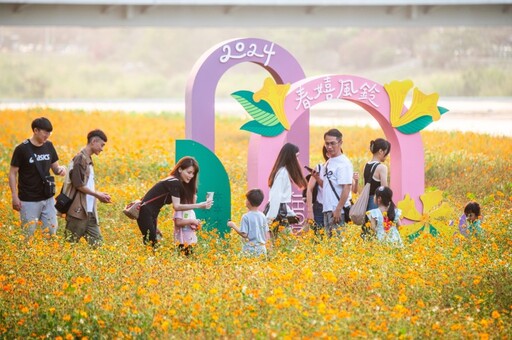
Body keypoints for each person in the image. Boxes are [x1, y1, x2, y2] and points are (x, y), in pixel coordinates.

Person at [9, 117, 66, 239]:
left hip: (48, 197)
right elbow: (13, 173)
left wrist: (60, 170)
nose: (48, 136)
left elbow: (55, 168)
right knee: (28, 234)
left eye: (50, 133)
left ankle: (48, 255)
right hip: (28, 199)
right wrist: (14, 196)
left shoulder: (49, 146)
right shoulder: (21, 149)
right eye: (45, 132)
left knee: (51, 231)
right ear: (35, 130)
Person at [136, 156, 213, 248]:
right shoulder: (174, 182)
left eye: (193, 174)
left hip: (152, 212)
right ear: (180, 169)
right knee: (151, 243)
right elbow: (176, 206)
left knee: (153, 241)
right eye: (189, 172)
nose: (191, 176)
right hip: (146, 211)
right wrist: (199, 205)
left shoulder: (175, 181)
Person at [65, 129, 111, 247]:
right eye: (101, 145)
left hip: (89, 213)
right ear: (94, 141)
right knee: (69, 246)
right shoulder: (80, 159)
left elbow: (86, 185)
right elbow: (78, 185)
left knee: (99, 247)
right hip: (78, 212)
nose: (102, 148)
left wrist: (98, 194)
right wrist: (97, 195)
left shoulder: (88, 159)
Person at [265, 143, 308, 236]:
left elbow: (281, 201)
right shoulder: (282, 173)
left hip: (278, 212)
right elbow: (275, 199)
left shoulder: (283, 172)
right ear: (290, 157)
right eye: (296, 156)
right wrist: (269, 220)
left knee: (283, 244)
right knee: (287, 244)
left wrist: (290, 213)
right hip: (277, 214)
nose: (297, 160)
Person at [320, 129, 353, 238]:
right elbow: (327, 186)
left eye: (332, 143)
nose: (329, 147)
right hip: (327, 209)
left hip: (337, 211)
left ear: (340, 143)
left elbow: (347, 188)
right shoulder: (328, 162)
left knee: (337, 245)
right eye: (327, 143)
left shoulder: (343, 163)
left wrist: (338, 209)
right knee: (329, 246)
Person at [361, 138, 391, 238]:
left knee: (367, 230)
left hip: (366, 202)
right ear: (381, 151)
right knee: (378, 232)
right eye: (386, 153)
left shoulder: (366, 165)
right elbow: (384, 190)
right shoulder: (382, 167)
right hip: (377, 202)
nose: (387, 156)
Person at [228, 189, 271, 257]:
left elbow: (244, 234)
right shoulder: (262, 215)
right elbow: (266, 232)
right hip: (262, 249)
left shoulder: (246, 217)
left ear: (248, 202)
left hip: (250, 250)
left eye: (246, 199)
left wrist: (233, 225)